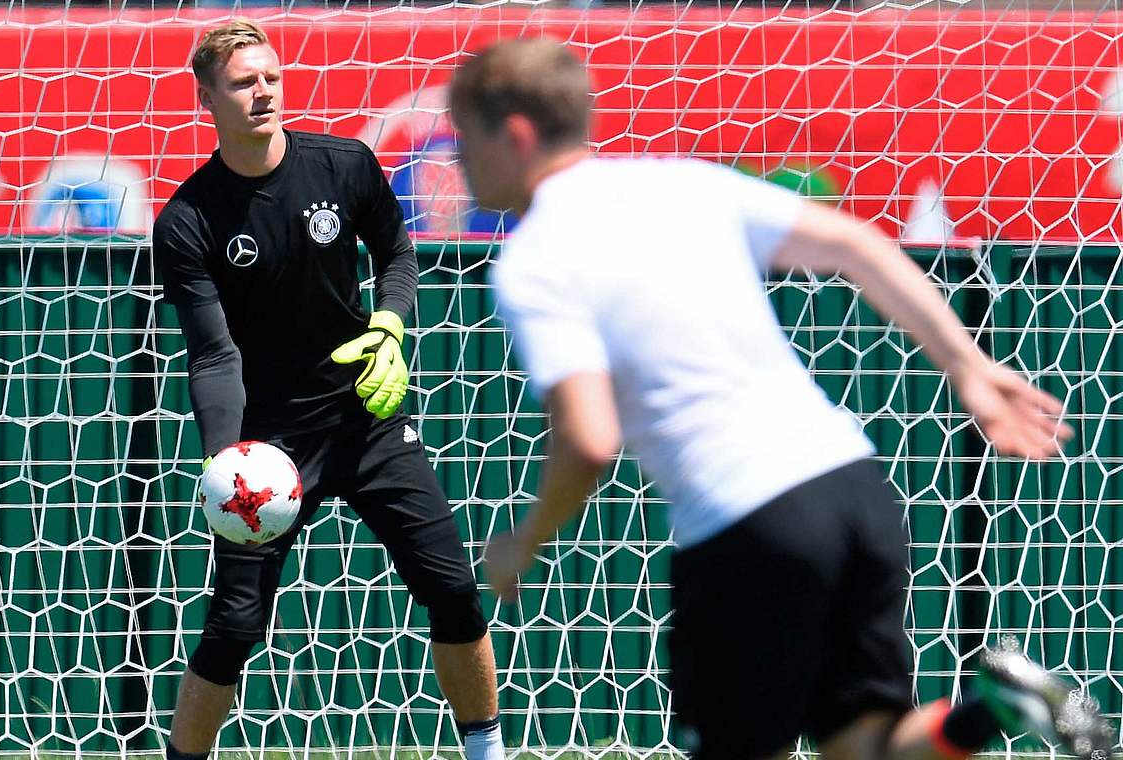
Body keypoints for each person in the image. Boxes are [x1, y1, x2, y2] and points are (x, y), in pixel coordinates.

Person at [447, 37, 1116, 760]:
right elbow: (856, 244)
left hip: (749, 527)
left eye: (465, 138)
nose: (457, 158)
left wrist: (525, 541)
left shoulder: (535, 261)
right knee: (865, 749)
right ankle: (989, 709)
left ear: (514, 135)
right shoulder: (680, 183)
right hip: (851, 487)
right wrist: (968, 367)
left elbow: (588, 438)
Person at [152, 20, 503, 760]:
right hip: (270, 444)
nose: (263, 93)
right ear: (206, 98)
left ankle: (486, 751)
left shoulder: (343, 165)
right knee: (236, 624)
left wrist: (391, 326)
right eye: (243, 83)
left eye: (271, 77)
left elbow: (398, 252)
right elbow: (213, 355)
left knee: (453, 589)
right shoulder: (187, 221)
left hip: (366, 420)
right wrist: (228, 459)